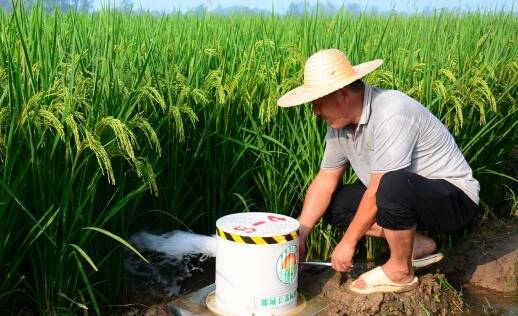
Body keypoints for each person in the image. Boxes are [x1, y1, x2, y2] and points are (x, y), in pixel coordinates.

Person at [276, 49, 480, 294]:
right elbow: (325, 181)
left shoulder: (391, 110)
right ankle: (416, 245)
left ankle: (400, 272)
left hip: (454, 200)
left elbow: (380, 187)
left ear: (341, 95)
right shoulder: (339, 126)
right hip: (404, 196)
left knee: (391, 184)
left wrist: (348, 243)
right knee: (334, 204)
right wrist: (301, 233)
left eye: (318, 104)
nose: (315, 112)